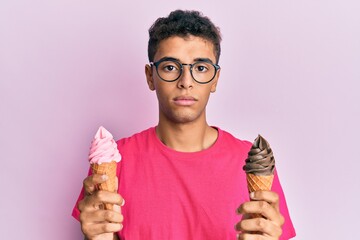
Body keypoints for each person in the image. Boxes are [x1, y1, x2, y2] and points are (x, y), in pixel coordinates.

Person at [72, 10, 296, 240]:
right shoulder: (114, 159)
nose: (186, 82)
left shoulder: (253, 161)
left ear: (215, 80)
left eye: (200, 68)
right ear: (150, 76)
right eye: (170, 67)